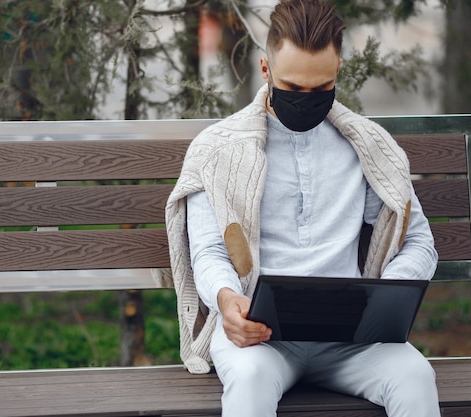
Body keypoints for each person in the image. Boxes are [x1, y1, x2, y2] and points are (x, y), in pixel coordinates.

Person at [152, 0, 440, 416]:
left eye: (320, 89)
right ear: (266, 70)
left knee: (415, 376)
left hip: (352, 339)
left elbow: (417, 241)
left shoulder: (369, 147)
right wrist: (226, 298)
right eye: (292, 88)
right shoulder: (217, 150)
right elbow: (210, 252)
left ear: (337, 67)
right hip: (258, 339)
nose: (306, 100)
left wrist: (387, 296)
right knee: (249, 380)